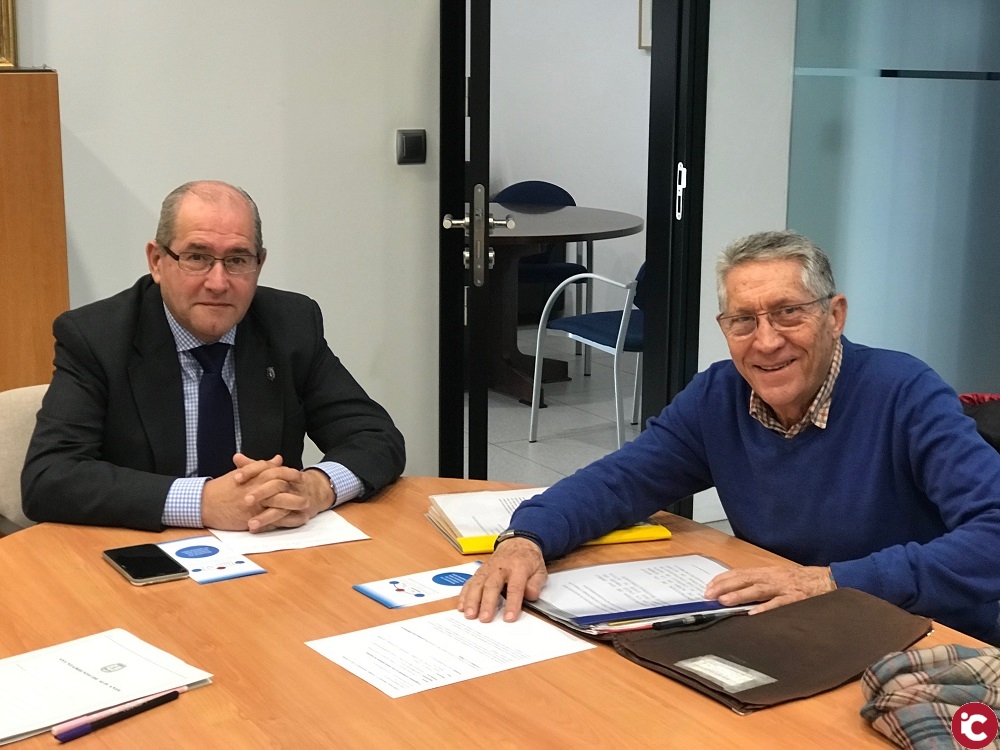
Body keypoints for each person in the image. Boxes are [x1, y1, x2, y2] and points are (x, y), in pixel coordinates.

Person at [458, 230, 1000, 644]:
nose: (766, 341)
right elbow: (620, 481)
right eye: (743, 320)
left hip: (927, 634)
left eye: (788, 313)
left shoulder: (904, 392)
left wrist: (832, 581)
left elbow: (993, 535)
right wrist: (526, 538)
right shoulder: (719, 396)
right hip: (796, 627)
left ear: (834, 316)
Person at [22, 180, 405, 533]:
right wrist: (202, 503)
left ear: (259, 264)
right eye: (196, 257)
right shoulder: (97, 337)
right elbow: (49, 477)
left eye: (237, 260)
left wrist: (317, 488)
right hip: (143, 552)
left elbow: (375, 436)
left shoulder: (291, 324)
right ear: (157, 261)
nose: (218, 282)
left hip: (272, 550)